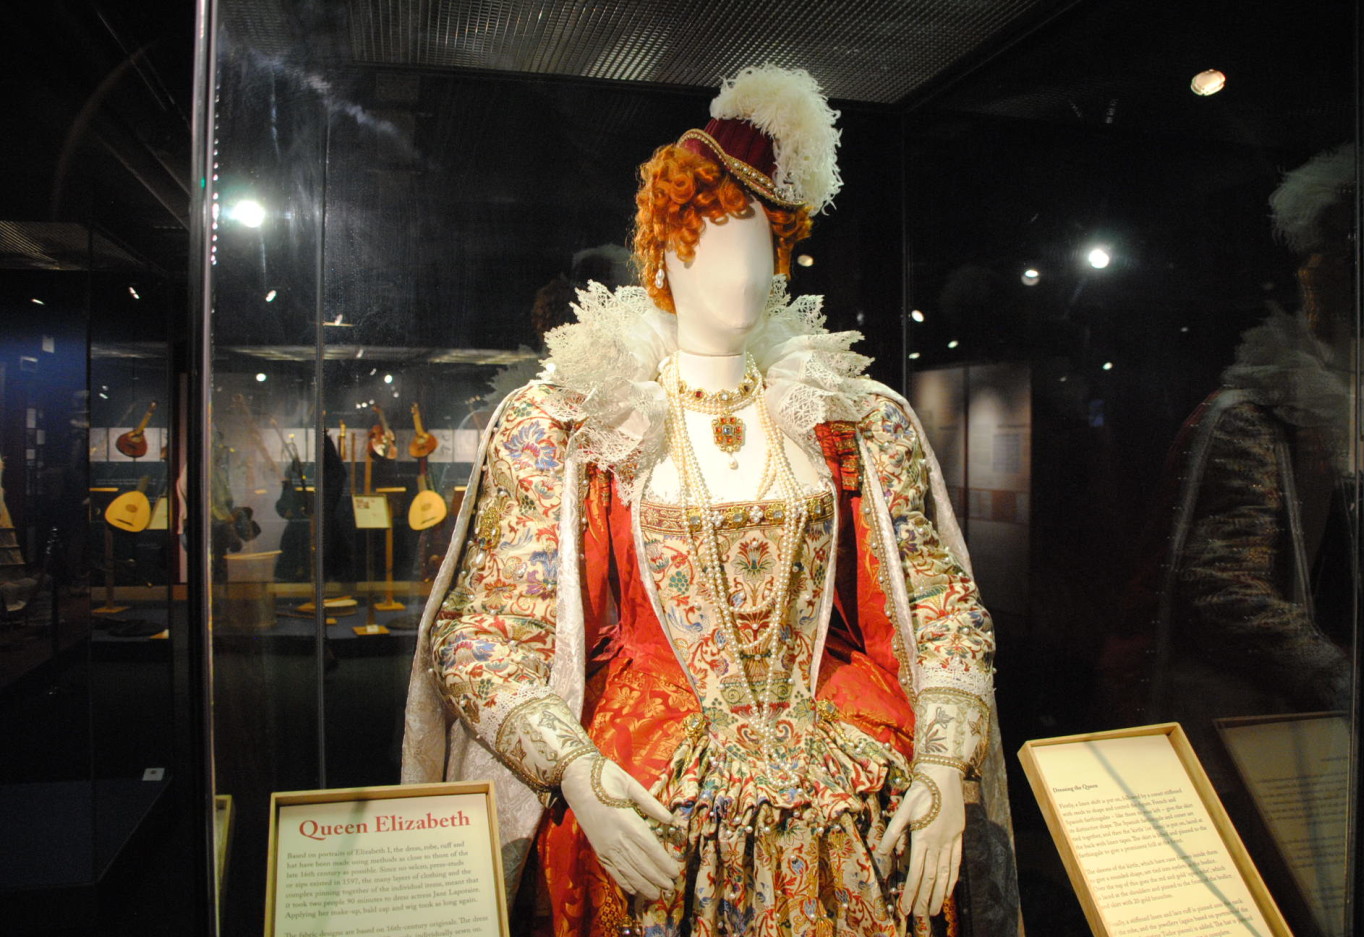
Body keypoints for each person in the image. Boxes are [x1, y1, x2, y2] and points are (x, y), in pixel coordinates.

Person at [403, 65, 1014, 937]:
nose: (745, 269)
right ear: (662, 250)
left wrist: (946, 763)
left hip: (843, 746)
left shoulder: (853, 417)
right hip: (651, 764)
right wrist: (575, 770)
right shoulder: (574, 422)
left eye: (763, 242)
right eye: (714, 238)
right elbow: (482, 633)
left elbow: (941, 600)